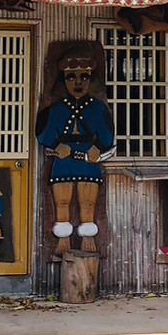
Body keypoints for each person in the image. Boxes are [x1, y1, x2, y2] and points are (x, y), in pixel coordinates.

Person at [36, 51, 115, 254]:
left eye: (84, 77)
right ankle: (63, 241)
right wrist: (55, 144)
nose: (78, 82)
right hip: (63, 160)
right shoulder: (56, 109)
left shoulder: (97, 108)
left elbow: (107, 134)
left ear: (91, 79)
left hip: (88, 159)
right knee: (62, 201)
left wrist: (100, 147)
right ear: (63, 81)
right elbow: (43, 133)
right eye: (71, 77)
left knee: (88, 202)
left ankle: (88, 237)